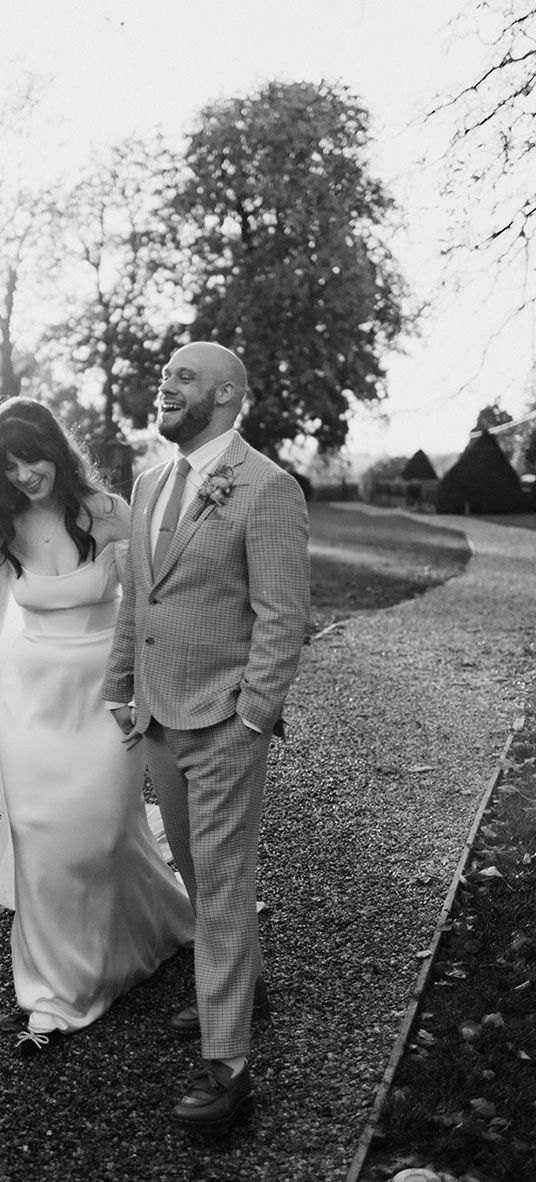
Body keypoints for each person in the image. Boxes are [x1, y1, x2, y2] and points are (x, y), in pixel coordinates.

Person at [103, 341, 310, 1131]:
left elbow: (284, 616)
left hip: (226, 722)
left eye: (183, 377)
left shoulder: (268, 489)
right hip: (158, 717)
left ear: (227, 396)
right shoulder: (150, 480)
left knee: (221, 886)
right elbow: (137, 603)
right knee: (192, 867)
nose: (165, 384)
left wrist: (253, 715)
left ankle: (229, 1070)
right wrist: (121, 688)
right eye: (164, 375)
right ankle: (242, 981)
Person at [0, 398, 195, 1058]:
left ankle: (144, 934)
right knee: (38, 831)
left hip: (107, 697)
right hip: (31, 704)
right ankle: (53, 989)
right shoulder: (5, 523)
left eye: (33, 457)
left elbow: (159, 594)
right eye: (10, 465)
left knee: (103, 832)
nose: (27, 475)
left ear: (56, 447)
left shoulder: (107, 513)